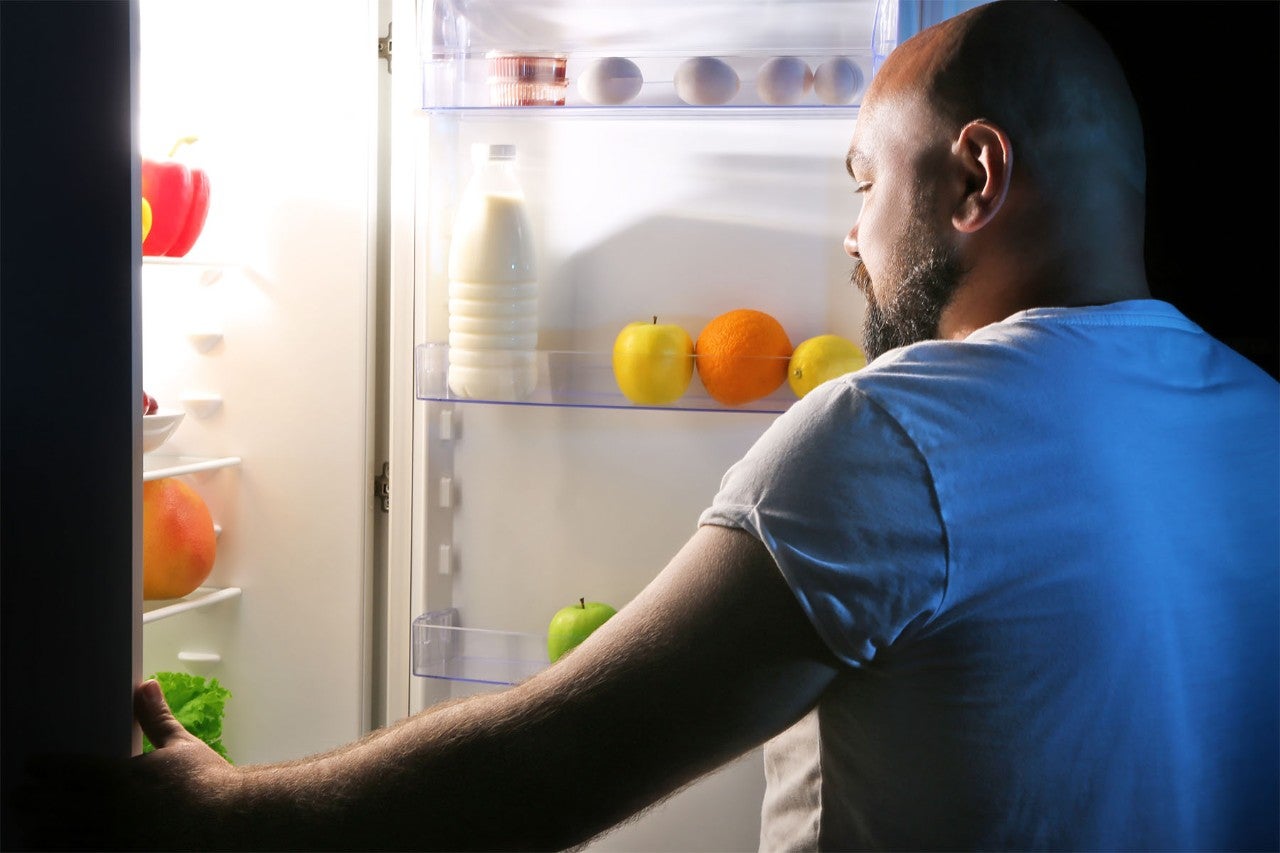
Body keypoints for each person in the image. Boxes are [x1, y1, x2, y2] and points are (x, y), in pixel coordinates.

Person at [18, 1, 1278, 849]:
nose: (849, 236)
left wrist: (225, 821)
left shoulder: (899, 434)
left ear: (973, 178)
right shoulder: (1250, 412)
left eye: (861, 183)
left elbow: (546, 767)